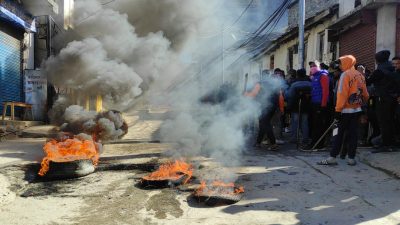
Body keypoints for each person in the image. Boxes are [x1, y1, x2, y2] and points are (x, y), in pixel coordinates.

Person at [317, 55, 369, 166]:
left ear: (346, 63)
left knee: (337, 133)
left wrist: (337, 110)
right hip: (356, 110)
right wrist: (361, 104)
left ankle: (332, 157)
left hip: (344, 111)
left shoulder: (345, 75)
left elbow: (341, 94)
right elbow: (365, 94)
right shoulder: (360, 75)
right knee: (353, 135)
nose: (339, 66)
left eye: (341, 63)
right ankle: (351, 158)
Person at [245, 70, 285, 151]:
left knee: (265, 124)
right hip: (273, 107)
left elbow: (253, 94)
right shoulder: (275, 83)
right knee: (263, 124)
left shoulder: (259, 83)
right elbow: (281, 97)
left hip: (265, 106)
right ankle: (258, 142)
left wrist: (246, 94)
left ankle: (273, 144)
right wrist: (281, 108)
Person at [368, 50, 398, 152]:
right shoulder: (393, 68)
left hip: (382, 98)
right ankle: (392, 144)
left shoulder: (379, 71)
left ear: (378, 60)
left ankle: (385, 145)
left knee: (383, 122)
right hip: (392, 98)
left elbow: (368, 81)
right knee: (390, 121)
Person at [301, 60, 330, 150]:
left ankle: (317, 145)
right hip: (314, 103)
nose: (312, 67)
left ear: (319, 66)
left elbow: (325, 91)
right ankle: (315, 143)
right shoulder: (314, 77)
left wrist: (323, 104)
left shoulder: (323, 76)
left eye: (314, 65)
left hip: (320, 104)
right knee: (315, 124)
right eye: (310, 66)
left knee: (318, 125)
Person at [285, 68, 312, 145]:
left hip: (295, 106)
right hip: (306, 106)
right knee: (305, 123)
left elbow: (289, 95)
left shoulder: (294, 84)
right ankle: (305, 139)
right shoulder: (310, 83)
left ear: (297, 74)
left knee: (295, 123)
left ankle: (294, 139)